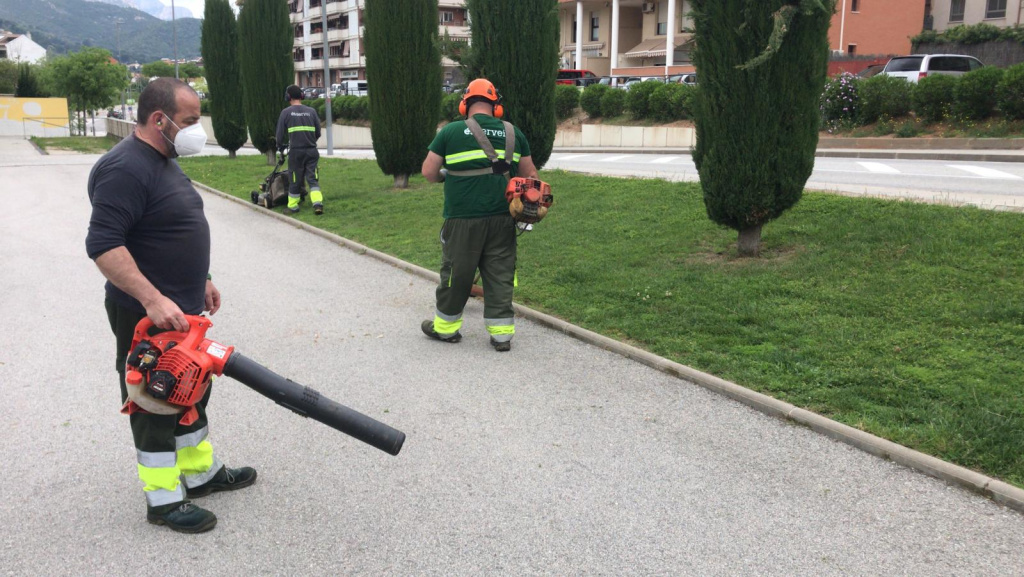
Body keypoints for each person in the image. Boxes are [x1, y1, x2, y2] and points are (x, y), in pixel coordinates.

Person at [86, 77, 256, 534]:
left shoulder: (165, 158)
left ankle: (200, 476)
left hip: (184, 312)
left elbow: (169, 228)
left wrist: (203, 278)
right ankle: (163, 501)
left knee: (191, 391)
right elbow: (103, 245)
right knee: (154, 399)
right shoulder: (124, 168)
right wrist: (152, 298)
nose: (196, 130)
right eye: (189, 121)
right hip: (148, 317)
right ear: (159, 120)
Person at [420, 78, 538, 352]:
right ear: (496, 106)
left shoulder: (449, 132)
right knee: (500, 273)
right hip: (503, 219)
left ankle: (446, 329)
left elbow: (428, 172)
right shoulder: (513, 132)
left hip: (462, 218)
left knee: (456, 273)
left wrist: (445, 176)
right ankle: (501, 335)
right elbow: (531, 177)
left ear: (465, 104)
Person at [276, 85, 324, 215]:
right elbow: (318, 132)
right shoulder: (312, 111)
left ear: (288, 97)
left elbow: (279, 135)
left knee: (295, 178)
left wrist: (280, 147)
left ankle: (293, 205)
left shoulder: (286, 112)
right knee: (312, 178)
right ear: (302, 96)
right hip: (312, 151)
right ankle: (317, 203)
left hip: (296, 152)